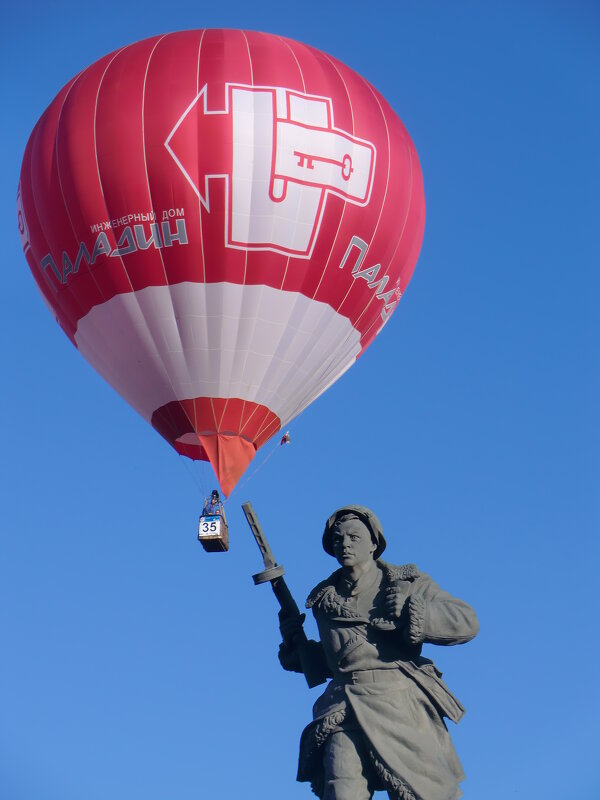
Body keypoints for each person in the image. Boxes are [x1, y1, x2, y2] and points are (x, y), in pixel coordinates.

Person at [278, 505, 478, 800]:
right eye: (338, 539)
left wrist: (414, 612)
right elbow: (334, 660)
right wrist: (297, 646)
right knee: (340, 785)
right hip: (343, 706)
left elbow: (466, 622)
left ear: (374, 543)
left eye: (354, 537)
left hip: (399, 704)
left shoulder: (406, 583)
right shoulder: (323, 601)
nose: (344, 543)